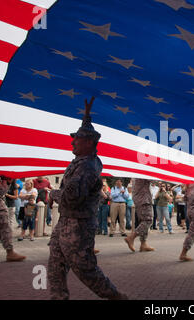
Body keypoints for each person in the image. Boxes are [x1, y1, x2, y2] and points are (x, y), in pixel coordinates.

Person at [47, 96, 127, 300]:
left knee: (85, 270)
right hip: (66, 223)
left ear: (89, 143)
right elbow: (88, 135)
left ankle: (116, 297)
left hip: (78, 227)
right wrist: (86, 117)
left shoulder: (87, 167)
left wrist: (53, 194)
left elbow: (71, 198)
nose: (72, 141)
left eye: (77, 139)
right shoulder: (81, 160)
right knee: (55, 264)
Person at [124, 178, 155, 252]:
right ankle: (131, 237)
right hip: (144, 200)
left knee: (143, 221)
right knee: (148, 221)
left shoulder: (137, 175)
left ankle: (143, 243)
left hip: (140, 199)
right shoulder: (143, 174)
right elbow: (154, 179)